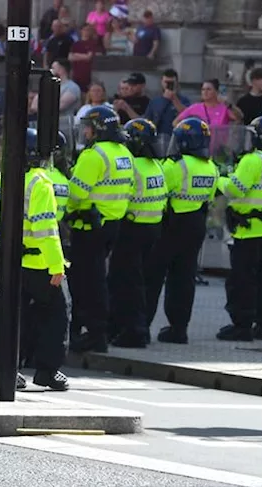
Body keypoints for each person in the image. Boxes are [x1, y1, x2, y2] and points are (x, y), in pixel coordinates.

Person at [0, 128, 70, 391]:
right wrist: (57, 265)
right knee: (56, 316)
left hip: (10, 262)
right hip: (39, 264)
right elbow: (46, 230)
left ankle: (10, 370)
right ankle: (47, 371)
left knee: (12, 317)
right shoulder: (40, 182)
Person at [65, 104, 134, 353]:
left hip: (89, 226)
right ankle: (93, 330)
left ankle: (93, 333)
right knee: (96, 279)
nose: (85, 133)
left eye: (88, 129)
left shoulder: (93, 155)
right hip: (112, 224)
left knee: (87, 281)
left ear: (98, 130)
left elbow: (76, 194)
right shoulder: (123, 153)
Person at [143, 118, 217, 344]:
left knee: (152, 277)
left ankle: (141, 326)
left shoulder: (175, 165)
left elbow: (158, 192)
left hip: (170, 225)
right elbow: (210, 199)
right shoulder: (211, 167)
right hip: (196, 226)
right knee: (184, 279)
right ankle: (179, 329)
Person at [214, 116, 262, 342]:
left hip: (247, 231)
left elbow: (235, 189)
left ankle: (241, 325)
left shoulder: (253, 161)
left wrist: (219, 180)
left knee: (242, 280)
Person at [106, 118, 167, 348]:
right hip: (153, 229)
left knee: (126, 283)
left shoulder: (132, 166)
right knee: (139, 282)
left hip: (132, 229)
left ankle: (133, 331)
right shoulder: (156, 166)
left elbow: (122, 195)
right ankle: (129, 327)